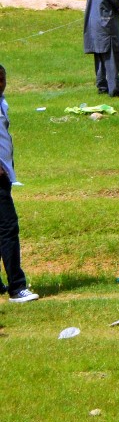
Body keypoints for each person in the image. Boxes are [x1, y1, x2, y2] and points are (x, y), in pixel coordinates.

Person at [0, 63, 36, 302]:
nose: (2, 83)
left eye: (3, 79)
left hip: (5, 174)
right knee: (8, 228)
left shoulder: (1, 101)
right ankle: (17, 287)